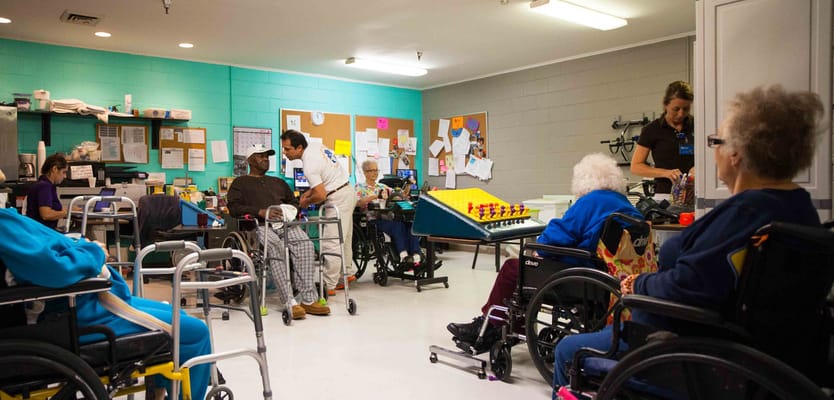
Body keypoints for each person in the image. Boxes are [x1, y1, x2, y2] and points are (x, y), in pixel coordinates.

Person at [553, 85, 824, 389]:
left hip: (686, 349)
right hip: (762, 354)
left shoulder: (745, 213)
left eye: (715, 141)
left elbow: (689, 286)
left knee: (567, 350)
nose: (713, 151)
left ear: (736, 152)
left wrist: (640, 284)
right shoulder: (799, 208)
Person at [0, 208, 212, 400]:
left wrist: (78, 245)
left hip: (85, 302)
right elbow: (55, 269)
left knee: (179, 316)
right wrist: (94, 251)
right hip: (80, 311)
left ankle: (159, 392)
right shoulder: (3, 224)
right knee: (195, 333)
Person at [447, 153, 643, 349]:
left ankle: (489, 325)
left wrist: (540, 250)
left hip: (579, 276)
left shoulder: (592, 201)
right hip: (608, 278)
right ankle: (515, 324)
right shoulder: (626, 204)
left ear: (583, 181)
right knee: (527, 266)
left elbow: (559, 232)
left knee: (513, 268)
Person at [226, 144, 330, 318]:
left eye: (267, 156)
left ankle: (309, 299)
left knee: (306, 245)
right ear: (250, 160)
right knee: (276, 248)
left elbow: (294, 203)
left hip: (285, 223)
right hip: (259, 225)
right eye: (261, 156)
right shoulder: (240, 183)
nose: (266, 159)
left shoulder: (278, 182)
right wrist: (259, 211)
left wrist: (288, 210)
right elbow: (234, 208)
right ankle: (289, 301)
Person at [280, 130, 357, 295]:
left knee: (332, 240)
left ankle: (328, 285)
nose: (285, 153)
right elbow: (323, 181)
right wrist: (309, 193)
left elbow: (321, 195)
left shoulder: (308, 165)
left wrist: (306, 201)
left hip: (337, 198)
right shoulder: (316, 146)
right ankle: (346, 274)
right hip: (346, 190)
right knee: (345, 237)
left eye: (287, 149)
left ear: (299, 147)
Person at [630, 81, 695, 201]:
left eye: (686, 109)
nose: (681, 114)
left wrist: (700, 168)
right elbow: (636, 166)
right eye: (676, 109)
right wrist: (665, 173)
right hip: (665, 194)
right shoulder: (651, 130)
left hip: (695, 193)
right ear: (665, 105)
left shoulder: (699, 126)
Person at [355, 159, 421, 268]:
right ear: (365, 172)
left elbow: (400, 195)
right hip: (373, 220)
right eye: (372, 170)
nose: (375, 173)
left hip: (388, 217)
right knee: (398, 226)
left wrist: (408, 185)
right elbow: (358, 202)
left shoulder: (382, 187)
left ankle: (416, 255)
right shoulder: (360, 187)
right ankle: (403, 255)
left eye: (376, 170)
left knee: (409, 225)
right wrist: (376, 196)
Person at [26, 153, 69, 230]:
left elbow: (50, 208)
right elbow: (46, 214)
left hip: (42, 230)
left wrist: (70, 209)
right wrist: (67, 212)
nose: (65, 176)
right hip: (42, 232)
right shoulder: (44, 186)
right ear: (55, 169)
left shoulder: (45, 185)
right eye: (64, 172)